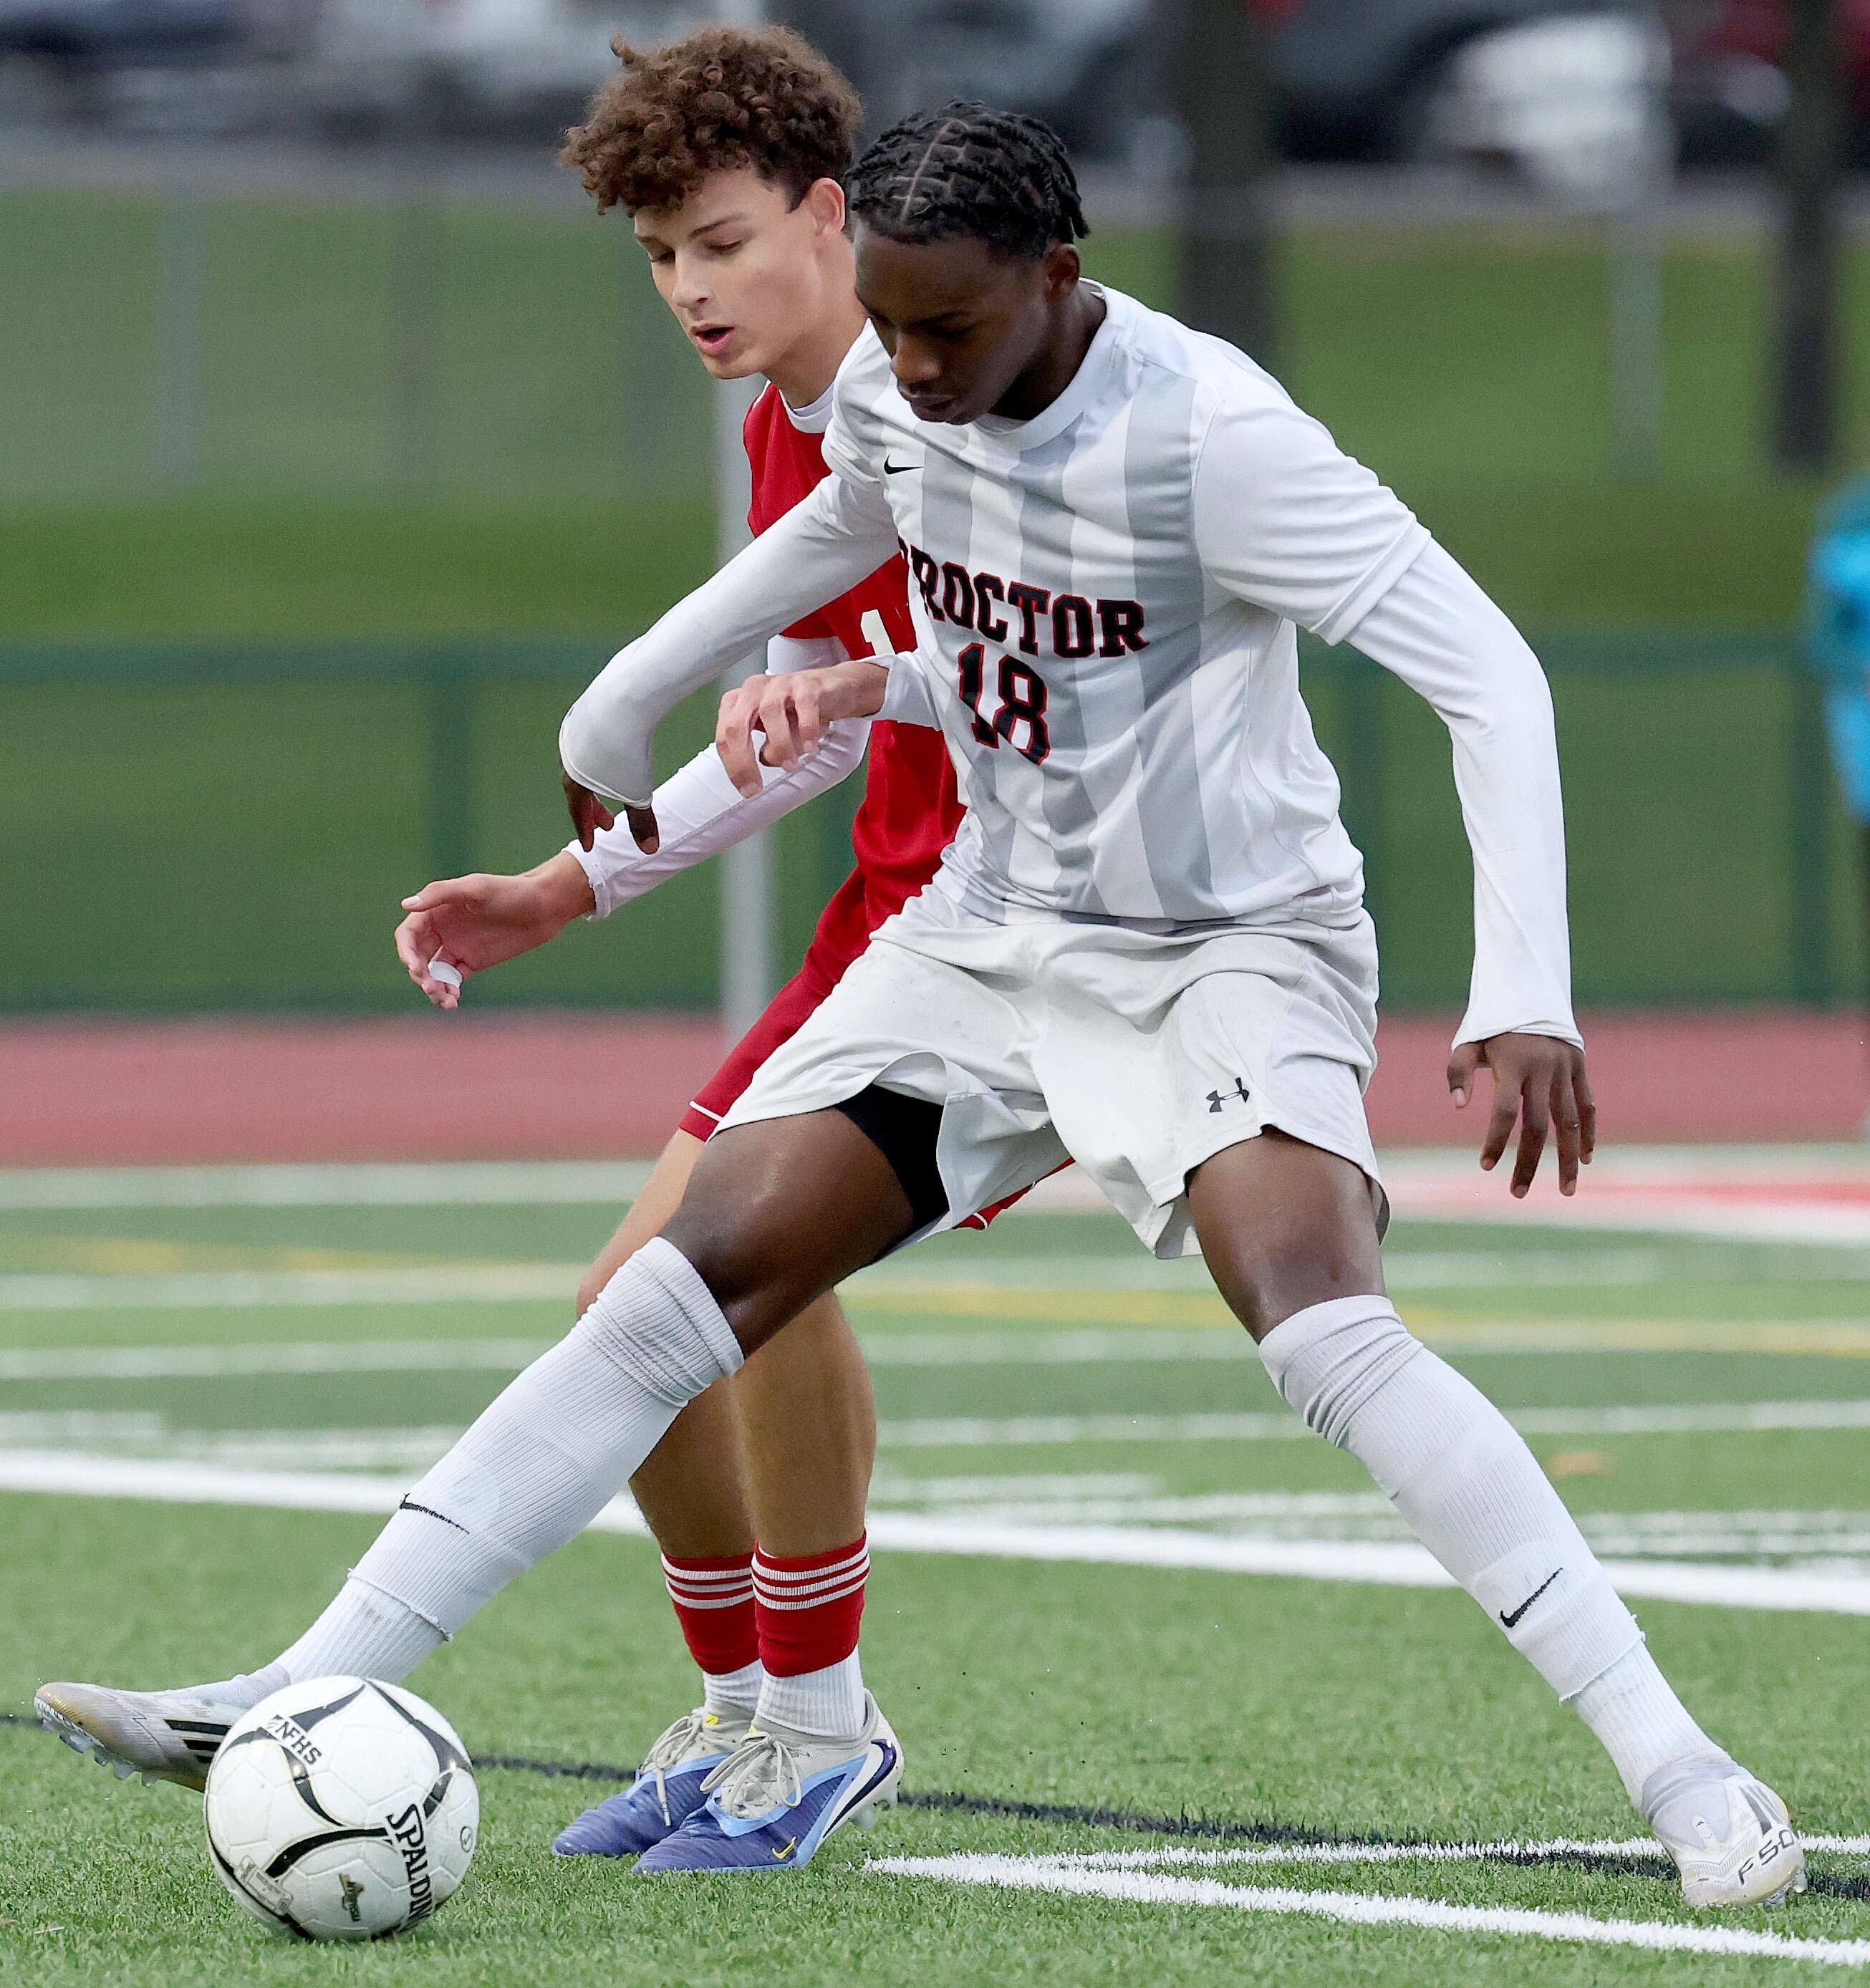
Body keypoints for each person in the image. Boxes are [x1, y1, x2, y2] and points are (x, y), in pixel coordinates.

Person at [41, 103, 1806, 1903]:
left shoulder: (1217, 439)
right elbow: (850, 542)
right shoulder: (898, 384)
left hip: (1228, 946)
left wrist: (1527, 990)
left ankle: (1680, 1765)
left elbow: (1490, 677)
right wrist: (645, 699)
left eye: (948, 326)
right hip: (988, 929)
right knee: (675, 1288)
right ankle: (311, 1678)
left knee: (1318, 1324)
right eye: (886, 325)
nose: (906, 366)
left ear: (1060, 274)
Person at [33, 26, 998, 1864]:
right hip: (890, 905)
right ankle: (757, 1718)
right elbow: (801, 722)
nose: (689, 288)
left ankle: (804, 1719)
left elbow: (1033, 664)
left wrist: (820, 720)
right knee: (635, 1315)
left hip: (1030, 921)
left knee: (735, 1276)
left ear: (822, 213)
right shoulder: (783, 428)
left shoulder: (945, 383)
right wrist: (574, 882)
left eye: (719, 240)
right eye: (657, 258)